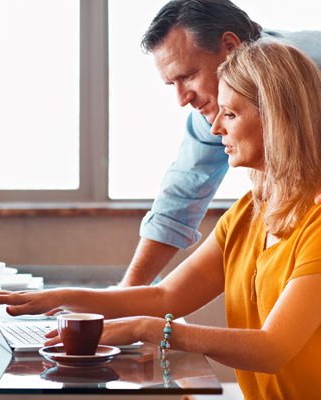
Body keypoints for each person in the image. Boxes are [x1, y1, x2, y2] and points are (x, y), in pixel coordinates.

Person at [0, 40, 321, 399]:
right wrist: (57, 298)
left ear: (278, 117)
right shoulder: (248, 214)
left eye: (231, 114)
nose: (215, 127)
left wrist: (147, 329)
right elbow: (165, 296)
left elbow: (273, 349)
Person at [119, 0, 321, 288]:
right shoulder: (213, 107)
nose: (181, 99)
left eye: (187, 76)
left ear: (229, 46)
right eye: (171, 84)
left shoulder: (306, 75)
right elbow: (179, 199)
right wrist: (126, 293)